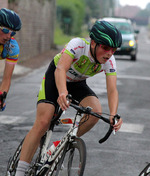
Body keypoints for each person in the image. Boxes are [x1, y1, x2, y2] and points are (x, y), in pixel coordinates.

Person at [15, 20, 123, 175]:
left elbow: (112, 90)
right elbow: (60, 69)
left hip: (77, 83)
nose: (109, 53)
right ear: (93, 43)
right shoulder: (78, 45)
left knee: (96, 113)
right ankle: (19, 172)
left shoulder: (109, 61)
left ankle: (59, 145)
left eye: (114, 50)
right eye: (106, 48)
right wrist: (62, 92)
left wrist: (113, 114)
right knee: (44, 121)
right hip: (56, 77)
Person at [0, 8, 22, 111]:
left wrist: (1, 97)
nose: (9, 36)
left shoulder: (12, 47)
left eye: (12, 33)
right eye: (5, 30)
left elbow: (6, 78)